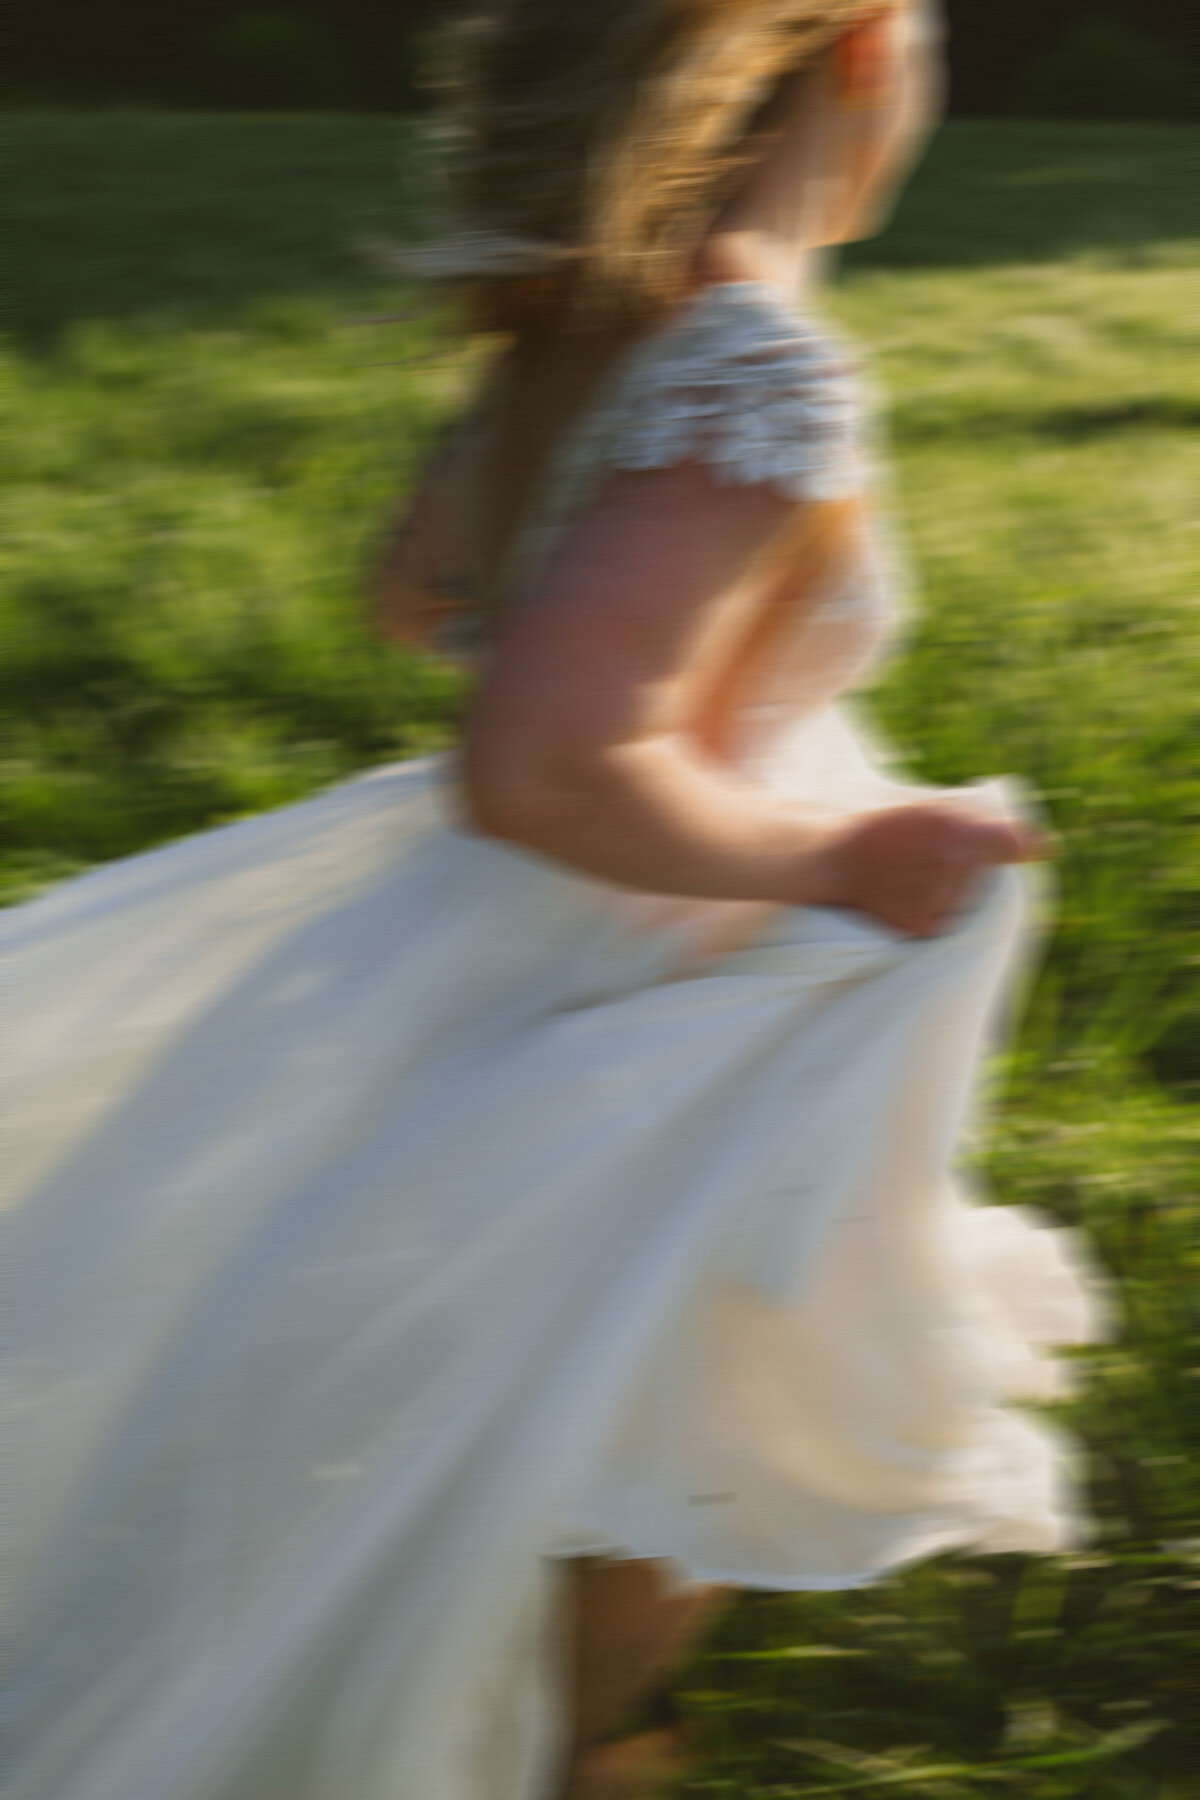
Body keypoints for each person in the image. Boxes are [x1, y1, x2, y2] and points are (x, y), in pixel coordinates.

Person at [5, 5, 1106, 1798]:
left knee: (586, 1375)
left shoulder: (588, 328)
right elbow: (543, 764)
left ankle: (543, 1721)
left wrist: (566, 603)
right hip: (654, 960)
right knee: (659, 1380)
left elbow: (416, 596)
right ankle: (564, 1743)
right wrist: (828, 853)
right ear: (854, 58)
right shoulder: (754, 353)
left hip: (522, 933)